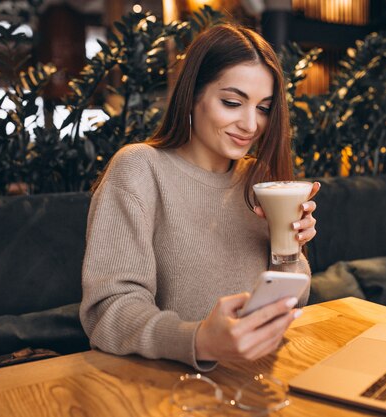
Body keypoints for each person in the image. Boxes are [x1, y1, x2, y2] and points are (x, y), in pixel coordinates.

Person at [80, 23, 320, 371]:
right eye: (232, 102)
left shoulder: (259, 181)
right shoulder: (139, 169)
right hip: (165, 388)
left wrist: (286, 246)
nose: (251, 125)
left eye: (264, 108)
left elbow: (294, 299)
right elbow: (108, 312)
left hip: (253, 380)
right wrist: (198, 340)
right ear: (192, 95)